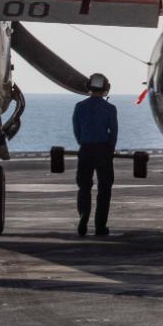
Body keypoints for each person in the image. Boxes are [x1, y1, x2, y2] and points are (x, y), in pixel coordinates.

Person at [73, 73, 118, 237]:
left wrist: (84, 143)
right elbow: (113, 133)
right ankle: (100, 226)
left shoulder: (80, 107)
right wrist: (110, 150)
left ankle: (83, 216)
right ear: (106, 88)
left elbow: (77, 131)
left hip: (85, 149)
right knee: (104, 189)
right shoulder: (110, 109)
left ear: (88, 87)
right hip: (103, 151)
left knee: (84, 187)